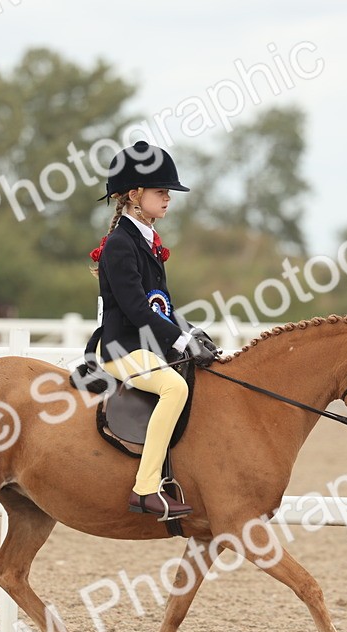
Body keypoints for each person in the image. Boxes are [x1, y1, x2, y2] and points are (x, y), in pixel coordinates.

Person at [83, 141, 219, 520]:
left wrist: (193, 333)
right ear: (133, 195)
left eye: (168, 193)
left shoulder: (149, 244)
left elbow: (164, 306)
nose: (168, 199)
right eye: (161, 192)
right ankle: (145, 488)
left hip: (145, 345)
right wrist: (179, 339)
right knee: (174, 387)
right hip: (119, 348)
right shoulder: (119, 245)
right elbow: (136, 309)